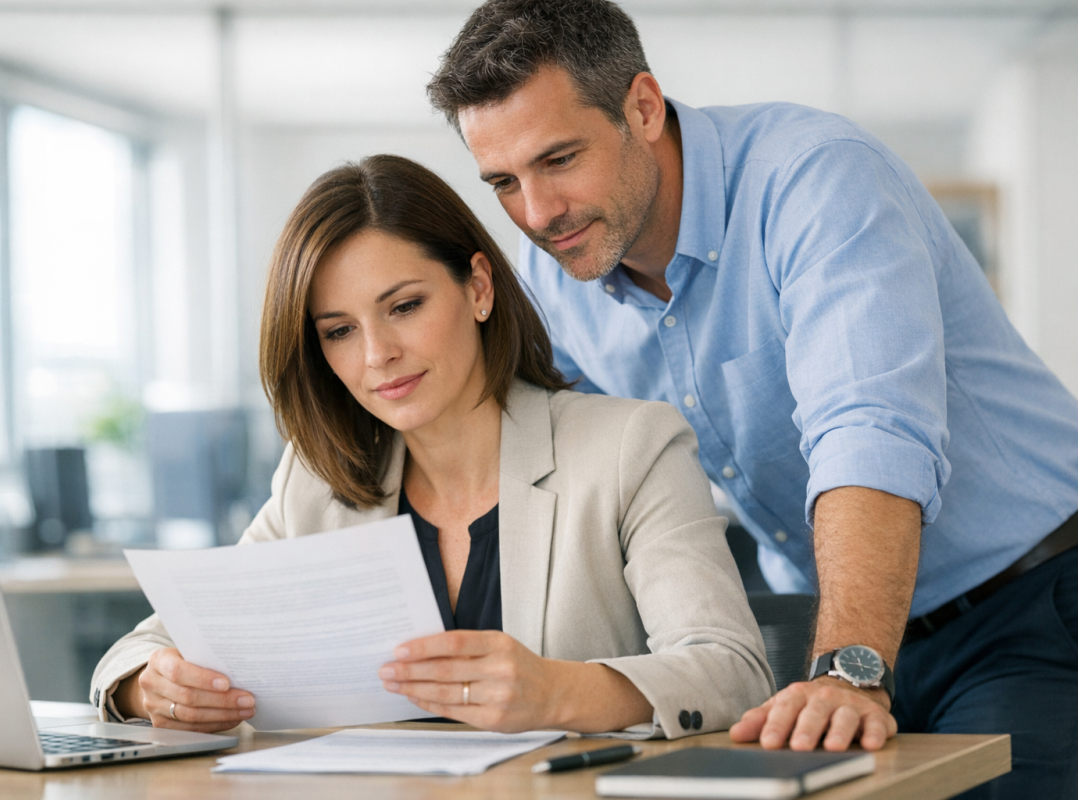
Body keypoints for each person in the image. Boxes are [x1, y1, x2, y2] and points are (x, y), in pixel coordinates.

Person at [425, 1, 1078, 796]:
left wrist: (849, 669)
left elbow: (867, 428)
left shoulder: (815, 177)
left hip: (1029, 606)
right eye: (503, 182)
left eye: (560, 159)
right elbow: (578, 473)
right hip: (823, 629)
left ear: (642, 105)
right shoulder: (557, 277)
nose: (536, 212)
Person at [90, 154, 773, 738]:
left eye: (405, 306)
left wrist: (558, 692)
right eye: (338, 331)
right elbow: (152, 645)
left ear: (477, 287)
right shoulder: (319, 481)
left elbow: (730, 670)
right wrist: (149, 688)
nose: (378, 355)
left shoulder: (629, 447)